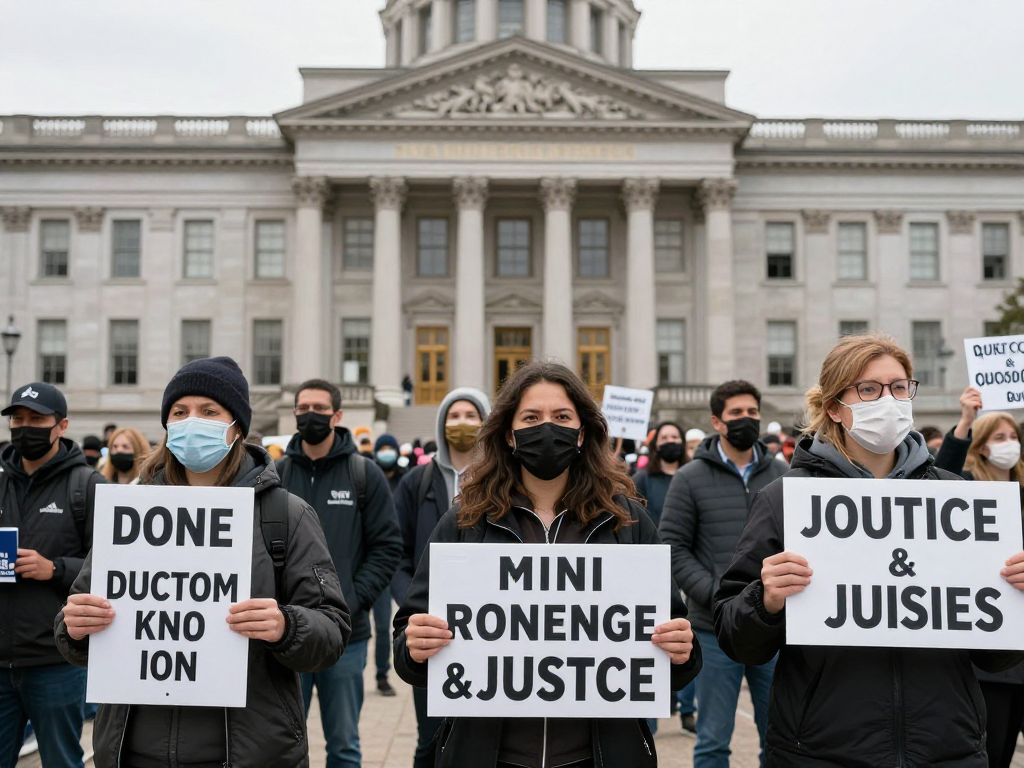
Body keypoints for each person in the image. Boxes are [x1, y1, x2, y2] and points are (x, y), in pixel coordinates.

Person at [713, 333, 1024, 767]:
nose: (889, 400)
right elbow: (736, 637)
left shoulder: (956, 498)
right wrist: (765, 600)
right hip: (822, 751)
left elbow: (997, 656)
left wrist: (1014, 598)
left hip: (945, 749)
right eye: (869, 389)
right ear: (835, 407)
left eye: (899, 387)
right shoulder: (786, 499)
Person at [394, 361, 701, 768]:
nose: (546, 428)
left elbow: (674, 655)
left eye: (561, 417)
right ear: (509, 433)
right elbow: (407, 645)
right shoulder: (466, 520)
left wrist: (681, 650)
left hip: (598, 756)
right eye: (531, 418)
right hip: (489, 756)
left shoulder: (626, 522)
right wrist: (415, 646)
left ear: (582, 432)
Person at [54, 357, 351, 768]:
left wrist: (285, 625)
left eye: (209, 411)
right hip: (133, 753)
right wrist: (76, 626)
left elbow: (332, 630)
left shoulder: (286, 515)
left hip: (246, 753)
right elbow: (76, 621)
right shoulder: (131, 515)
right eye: (180, 412)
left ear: (237, 427)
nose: (192, 421)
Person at [276, 378, 402, 768]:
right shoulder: (275, 475)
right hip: (286, 634)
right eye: (303, 408)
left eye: (319, 408)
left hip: (346, 637)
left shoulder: (363, 474)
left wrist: (352, 598)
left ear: (338, 415)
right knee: (279, 746)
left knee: (344, 745)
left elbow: (387, 546)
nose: (310, 415)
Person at [659, 380, 785, 768]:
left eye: (752, 412)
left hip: (773, 628)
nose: (746, 420)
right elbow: (673, 547)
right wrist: (716, 595)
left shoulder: (784, 474)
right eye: (736, 414)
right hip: (713, 629)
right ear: (717, 421)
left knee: (780, 736)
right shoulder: (690, 478)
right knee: (712, 740)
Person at [0, 382, 103, 768]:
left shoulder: (88, 486)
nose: (25, 427)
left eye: (37, 419)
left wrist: (55, 569)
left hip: (56, 660)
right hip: (0, 661)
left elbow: (112, 566)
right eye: (18, 419)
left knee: (62, 760)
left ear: (61, 426)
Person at [391, 386, 491, 768]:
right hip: (433, 632)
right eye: (454, 416)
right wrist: (411, 601)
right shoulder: (416, 482)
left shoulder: (507, 483)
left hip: (489, 633)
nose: (462, 424)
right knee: (430, 739)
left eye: (471, 416)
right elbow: (396, 553)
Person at [938, 410, 1024, 768]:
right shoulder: (968, 487)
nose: (1010, 444)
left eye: (1013, 436)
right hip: (995, 653)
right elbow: (937, 482)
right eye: (999, 437)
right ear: (982, 446)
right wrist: (963, 424)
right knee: (994, 749)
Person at [633, 420, 693, 735]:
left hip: (684, 570)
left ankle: (687, 708)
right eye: (665, 437)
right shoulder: (642, 479)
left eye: (675, 436)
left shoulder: (690, 477)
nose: (670, 441)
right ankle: (651, 720)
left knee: (680, 640)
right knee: (652, 639)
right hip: (651, 570)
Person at [372, 433, 406, 697]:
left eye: (389, 448)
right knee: (376, 626)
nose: (386, 452)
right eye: (381, 448)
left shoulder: (406, 481)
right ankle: (380, 674)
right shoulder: (370, 477)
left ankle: (387, 672)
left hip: (397, 564)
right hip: (373, 563)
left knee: (392, 624)